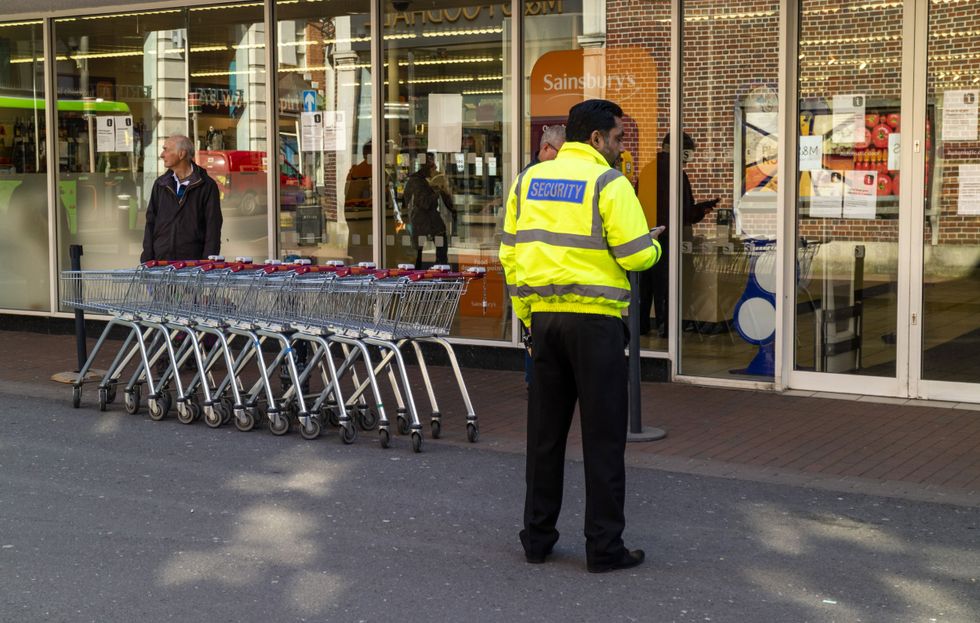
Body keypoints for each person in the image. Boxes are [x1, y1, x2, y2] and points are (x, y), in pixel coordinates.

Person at [499, 99, 662, 573]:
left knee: (545, 437)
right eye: (618, 137)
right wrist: (651, 244)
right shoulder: (608, 183)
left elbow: (510, 255)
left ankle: (537, 538)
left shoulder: (528, 180)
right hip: (595, 327)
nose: (621, 146)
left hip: (545, 322)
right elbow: (634, 257)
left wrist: (527, 315)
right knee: (604, 438)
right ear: (595, 139)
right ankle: (604, 548)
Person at [639, 132, 718, 337]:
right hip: (672, 237)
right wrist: (702, 209)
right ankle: (669, 328)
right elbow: (684, 212)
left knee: (647, 284)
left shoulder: (648, 169)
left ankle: (642, 325)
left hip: (648, 234)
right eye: (688, 153)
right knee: (669, 284)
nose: (689, 158)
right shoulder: (676, 173)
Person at [520, 124, 566, 391]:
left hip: (550, 266)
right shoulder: (530, 178)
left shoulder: (552, 174)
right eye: (559, 152)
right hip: (536, 266)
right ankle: (534, 381)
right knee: (535, 332)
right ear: (546, 148)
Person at [140, 134, 222, 263]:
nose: (162, 155)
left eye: (166, 149)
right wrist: (147, 258)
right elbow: (151, 223)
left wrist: (208, 263)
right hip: (160, 263)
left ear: (181, 154)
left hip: (192, 266)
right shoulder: (160, 184)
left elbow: (213, 229)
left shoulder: (207, 186)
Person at [404, 153, 455, 266]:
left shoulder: (426, 180)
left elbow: (449, 204)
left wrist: (445, 190)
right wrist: (437, 190)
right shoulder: (416, 181)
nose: (435, 168)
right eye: (433, 166)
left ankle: (440, 268)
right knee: (420, 255)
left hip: (430, 222)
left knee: (438, 246)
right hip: (422, 223)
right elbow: (424, 203)